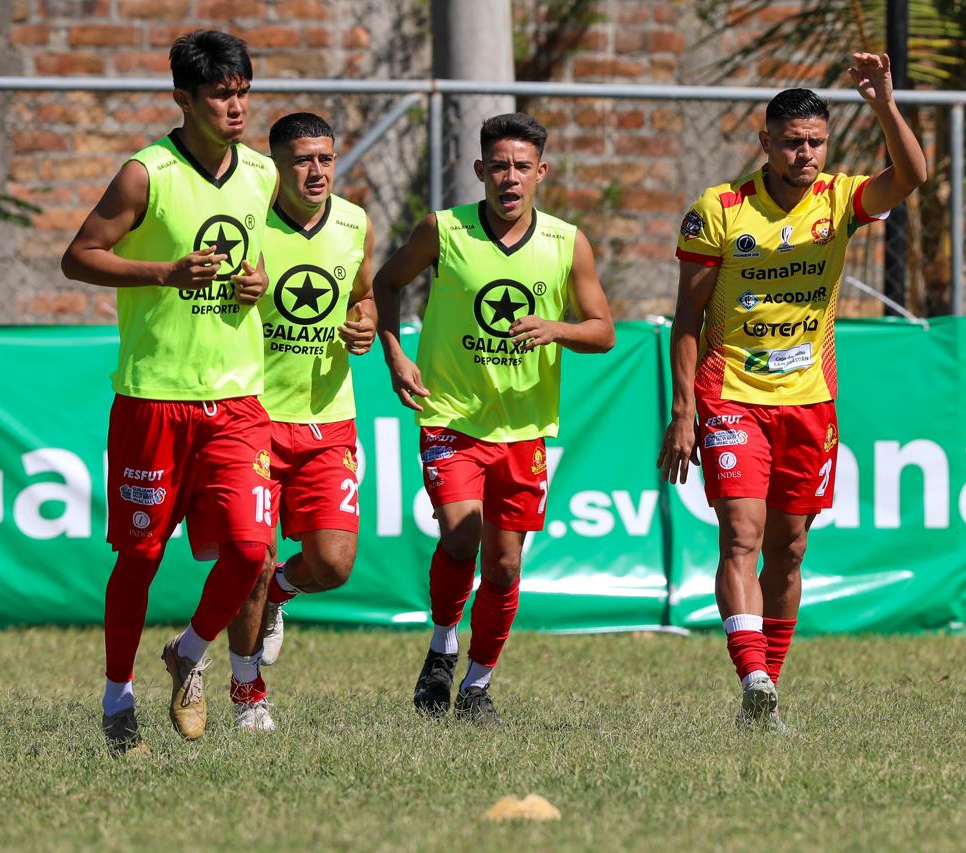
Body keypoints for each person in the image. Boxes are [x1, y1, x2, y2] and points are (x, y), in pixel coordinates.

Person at [657, 54, 927, 731]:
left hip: (810, 399)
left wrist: (885, 103)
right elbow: (687, 318)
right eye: (791, 142)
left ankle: (765, 693)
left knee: (792, 546)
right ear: (765, 143)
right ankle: (751, 672)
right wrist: (684, 408)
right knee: (741, 535)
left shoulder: (839, 200)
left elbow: (914, 176)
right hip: (732, 393)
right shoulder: (718, 212)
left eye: (815, 143)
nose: (804, 154)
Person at [61, 30, 278, 753]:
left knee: (252, 549)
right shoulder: (144, 174)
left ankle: (188, 650)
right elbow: (80, 257)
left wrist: (257, 285)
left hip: (239, 397)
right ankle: (117, 693)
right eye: (221, 93)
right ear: (183, 98)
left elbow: (258, 266)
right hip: (153, 397)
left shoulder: (262, 175)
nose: (236, 104)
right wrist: (162, 272)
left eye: (243, 90)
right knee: (143, 556)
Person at [373, 113, 614, 724]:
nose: (510, 178)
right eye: (499, 166)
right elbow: (386, 281)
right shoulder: (443, 231)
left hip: (524, 428)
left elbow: (603, 331)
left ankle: (477, 686)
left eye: (522, 167)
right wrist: (396, 354)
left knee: (505, 564)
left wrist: (556, 328)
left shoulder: (567, 242)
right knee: (461, 534)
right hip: (450, 417)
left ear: (542, 172)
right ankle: (441, 647)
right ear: (480, 171)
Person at [222, 112, 376, 732]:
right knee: (249, 558)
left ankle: (283, 594)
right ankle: (246, 690)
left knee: (334, 564)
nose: (317, 171)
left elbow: (362, 291)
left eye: (326, 159)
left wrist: (364, 322)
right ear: (277, 164)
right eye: (302, 160)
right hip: (253, 414)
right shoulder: (250, 218)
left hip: (329, 419)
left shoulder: (353, 221)